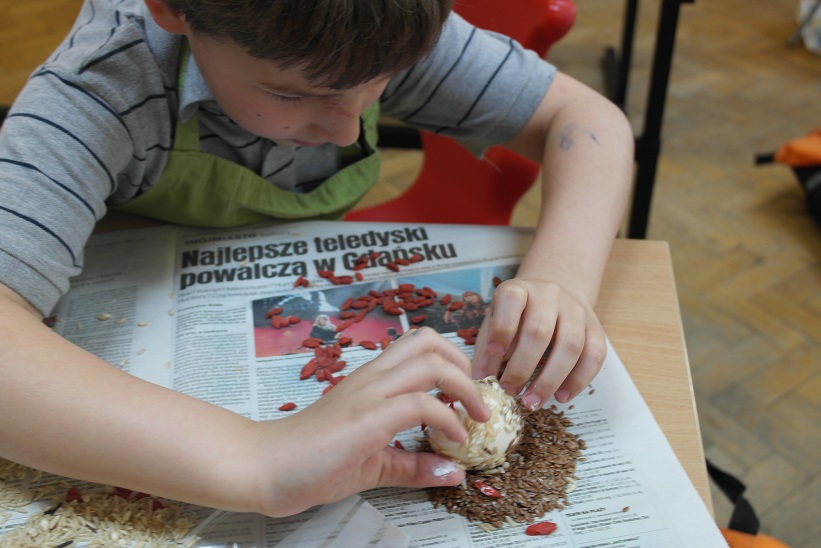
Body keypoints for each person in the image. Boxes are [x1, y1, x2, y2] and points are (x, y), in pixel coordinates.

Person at [0, 0, 632, 518]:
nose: (347, 130)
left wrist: (563, 274)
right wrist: (256, 459)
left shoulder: (381, 23)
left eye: (374, 88)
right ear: (173, 10)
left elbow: (586, 119)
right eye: (291, 93)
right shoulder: (98, 92)